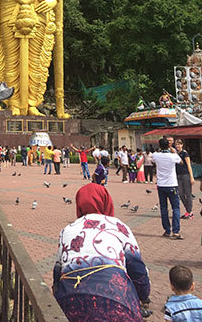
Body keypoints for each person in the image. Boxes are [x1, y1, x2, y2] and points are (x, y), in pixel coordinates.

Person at [53, 183, 150, 322]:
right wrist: (143, 295)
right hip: (117, 303)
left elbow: (57, 272)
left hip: (70, 303)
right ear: (106, 201)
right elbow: (138, 270)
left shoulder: (67, 230)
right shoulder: (119, 226)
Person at [152, 137, 182, 239]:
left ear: (159, 146)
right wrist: (173, 150)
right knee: (176, 208)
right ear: (169, 145)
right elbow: (180, 161)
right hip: (172, 184)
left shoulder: (155, 155)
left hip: (161, 185)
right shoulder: (173, 156)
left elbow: (153, 160)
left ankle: (167, 230)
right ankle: (176, 231)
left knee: (163, 208)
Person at [174, 139, 195, 220]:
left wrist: (191, 177)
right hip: (178, 176)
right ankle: (189, 211)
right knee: (181, 194)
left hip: (186, 175)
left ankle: (189, 212)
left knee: (188, 194)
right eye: (176, 144)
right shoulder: (176, 154)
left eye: (179, 144)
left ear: (182, 145)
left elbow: (189, 165)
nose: (178, 146)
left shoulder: (185, 153)